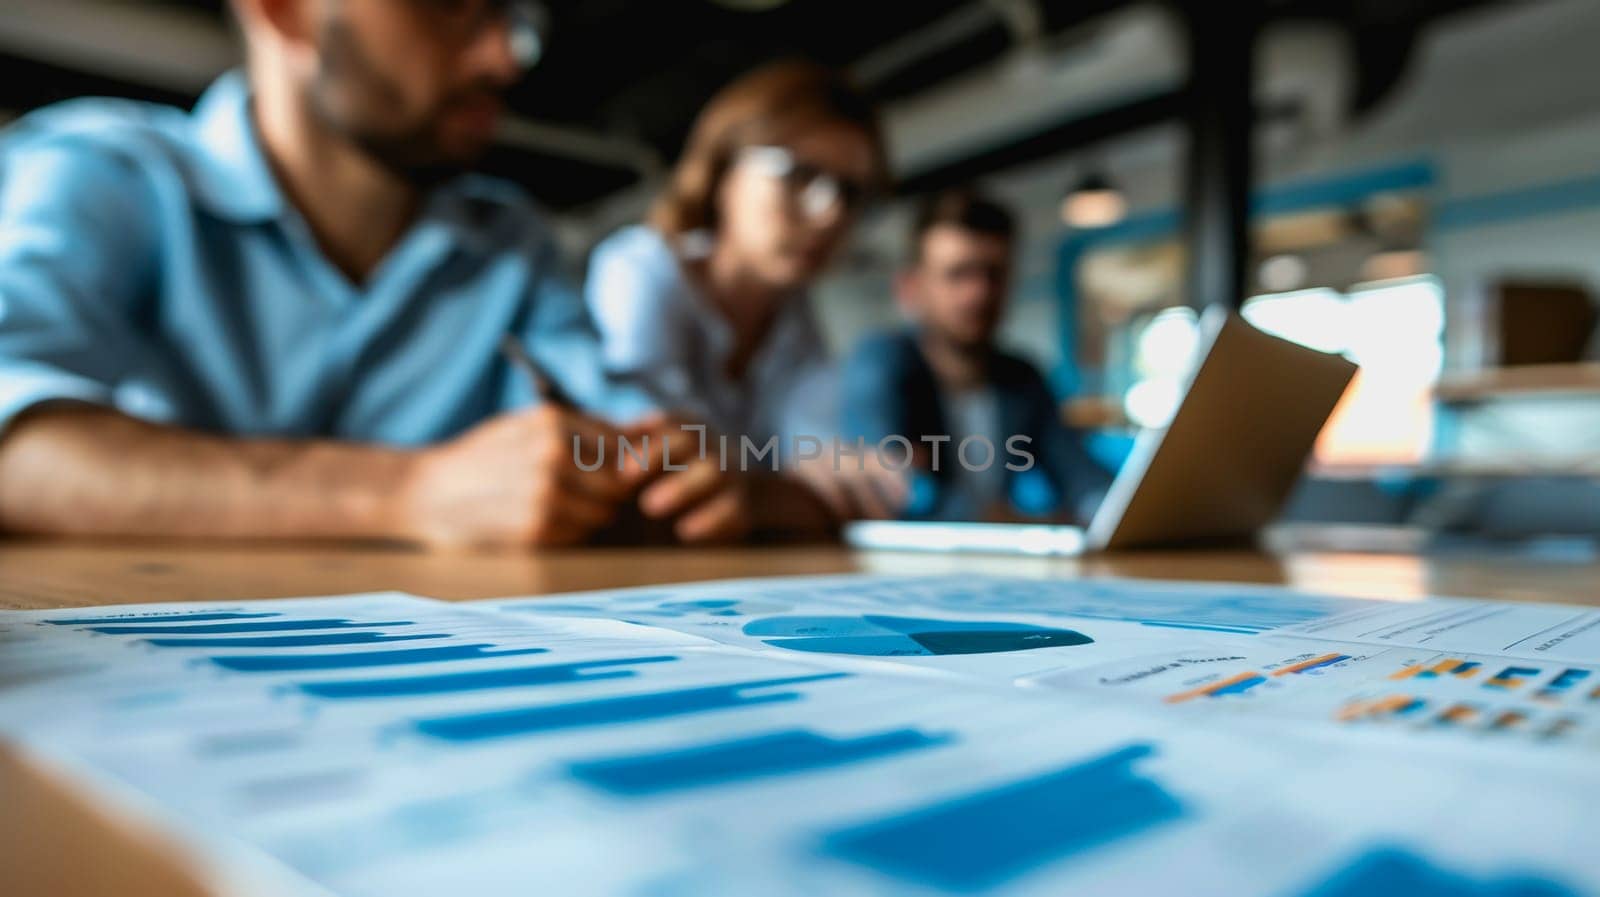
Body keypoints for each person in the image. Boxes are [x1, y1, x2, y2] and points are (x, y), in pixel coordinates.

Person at [0, 0, 707, 549]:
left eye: (509, 17)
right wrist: (412, 493)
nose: (504, 58)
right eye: (451, 8)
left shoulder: (513, 244)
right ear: (285, 11)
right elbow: (17, 453)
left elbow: (623, 436)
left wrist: (680, 474)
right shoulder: (109, 177)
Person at [583, 61, 903, 533]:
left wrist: (777, 490)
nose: (829, 213)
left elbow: (828, 480)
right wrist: (780, 492)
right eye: (799, 174)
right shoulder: (639, 269)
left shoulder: (796, 318)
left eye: (851, 193)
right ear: (723, 170)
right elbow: (656, 479)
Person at [841, 189, 1112, 523]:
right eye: (958, 274)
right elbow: (892, 485)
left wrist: (1108, 508)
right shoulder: (883, 361)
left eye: (993, 275)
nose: (979, 293)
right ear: (911, 288)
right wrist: (1001, 522)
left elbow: (1080, 473)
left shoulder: (1023, 377)